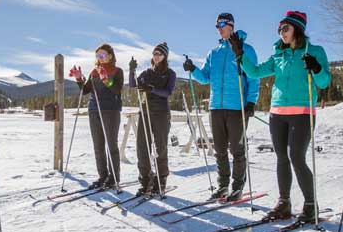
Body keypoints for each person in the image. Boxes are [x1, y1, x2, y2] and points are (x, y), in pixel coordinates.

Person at [231, 11, 330, 222]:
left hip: (302, 112)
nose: (281, 33)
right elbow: (256, 72)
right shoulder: (278, 54)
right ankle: (284, 203)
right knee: (281, 158)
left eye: (285, 28)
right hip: (277, 113)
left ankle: (311, 205)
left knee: (296, 156)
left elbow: (323, 82)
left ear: (297, 28)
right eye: (279, 29)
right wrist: (240, 55)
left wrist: (317, 67)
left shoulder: (315, 51)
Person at [182, 13, 259, 201]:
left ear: (231, 25)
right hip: (216, 107)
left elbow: (254, 78)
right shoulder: (213, 53)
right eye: (217, 25)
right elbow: (205, 77)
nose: (219, 28)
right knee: (220, 149)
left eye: (222, 24)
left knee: (237, 149)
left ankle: (238, 187)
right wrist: (193, 69)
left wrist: (251, 102)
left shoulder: (246, 49)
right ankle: (223, 185)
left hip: (237, 107)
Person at [73, 44, 124, 190]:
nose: (99, 58)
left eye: (102, 55)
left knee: (111, 145)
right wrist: (78, 79)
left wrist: (106, 79)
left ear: (110, 56)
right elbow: (85, 91)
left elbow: (117, 90)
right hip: (94, 110)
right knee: (98, 146)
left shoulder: (117, 71)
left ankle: (113, 178)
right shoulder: (94, 72)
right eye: (97, 56)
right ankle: (103, 176)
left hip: (110, 110)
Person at [128, 42, 176, 196]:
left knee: (160, 147)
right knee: (142, 147)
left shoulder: (170, 73)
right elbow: (132, 84)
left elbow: (168, 92)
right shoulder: (147, 72)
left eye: (159, 54)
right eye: (155, 53)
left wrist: (152, 89)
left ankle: (160, 181)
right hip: (146, 111)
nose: (156, 56)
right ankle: (145, 180)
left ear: (165, 56)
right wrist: (132, 70)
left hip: (161, 113)